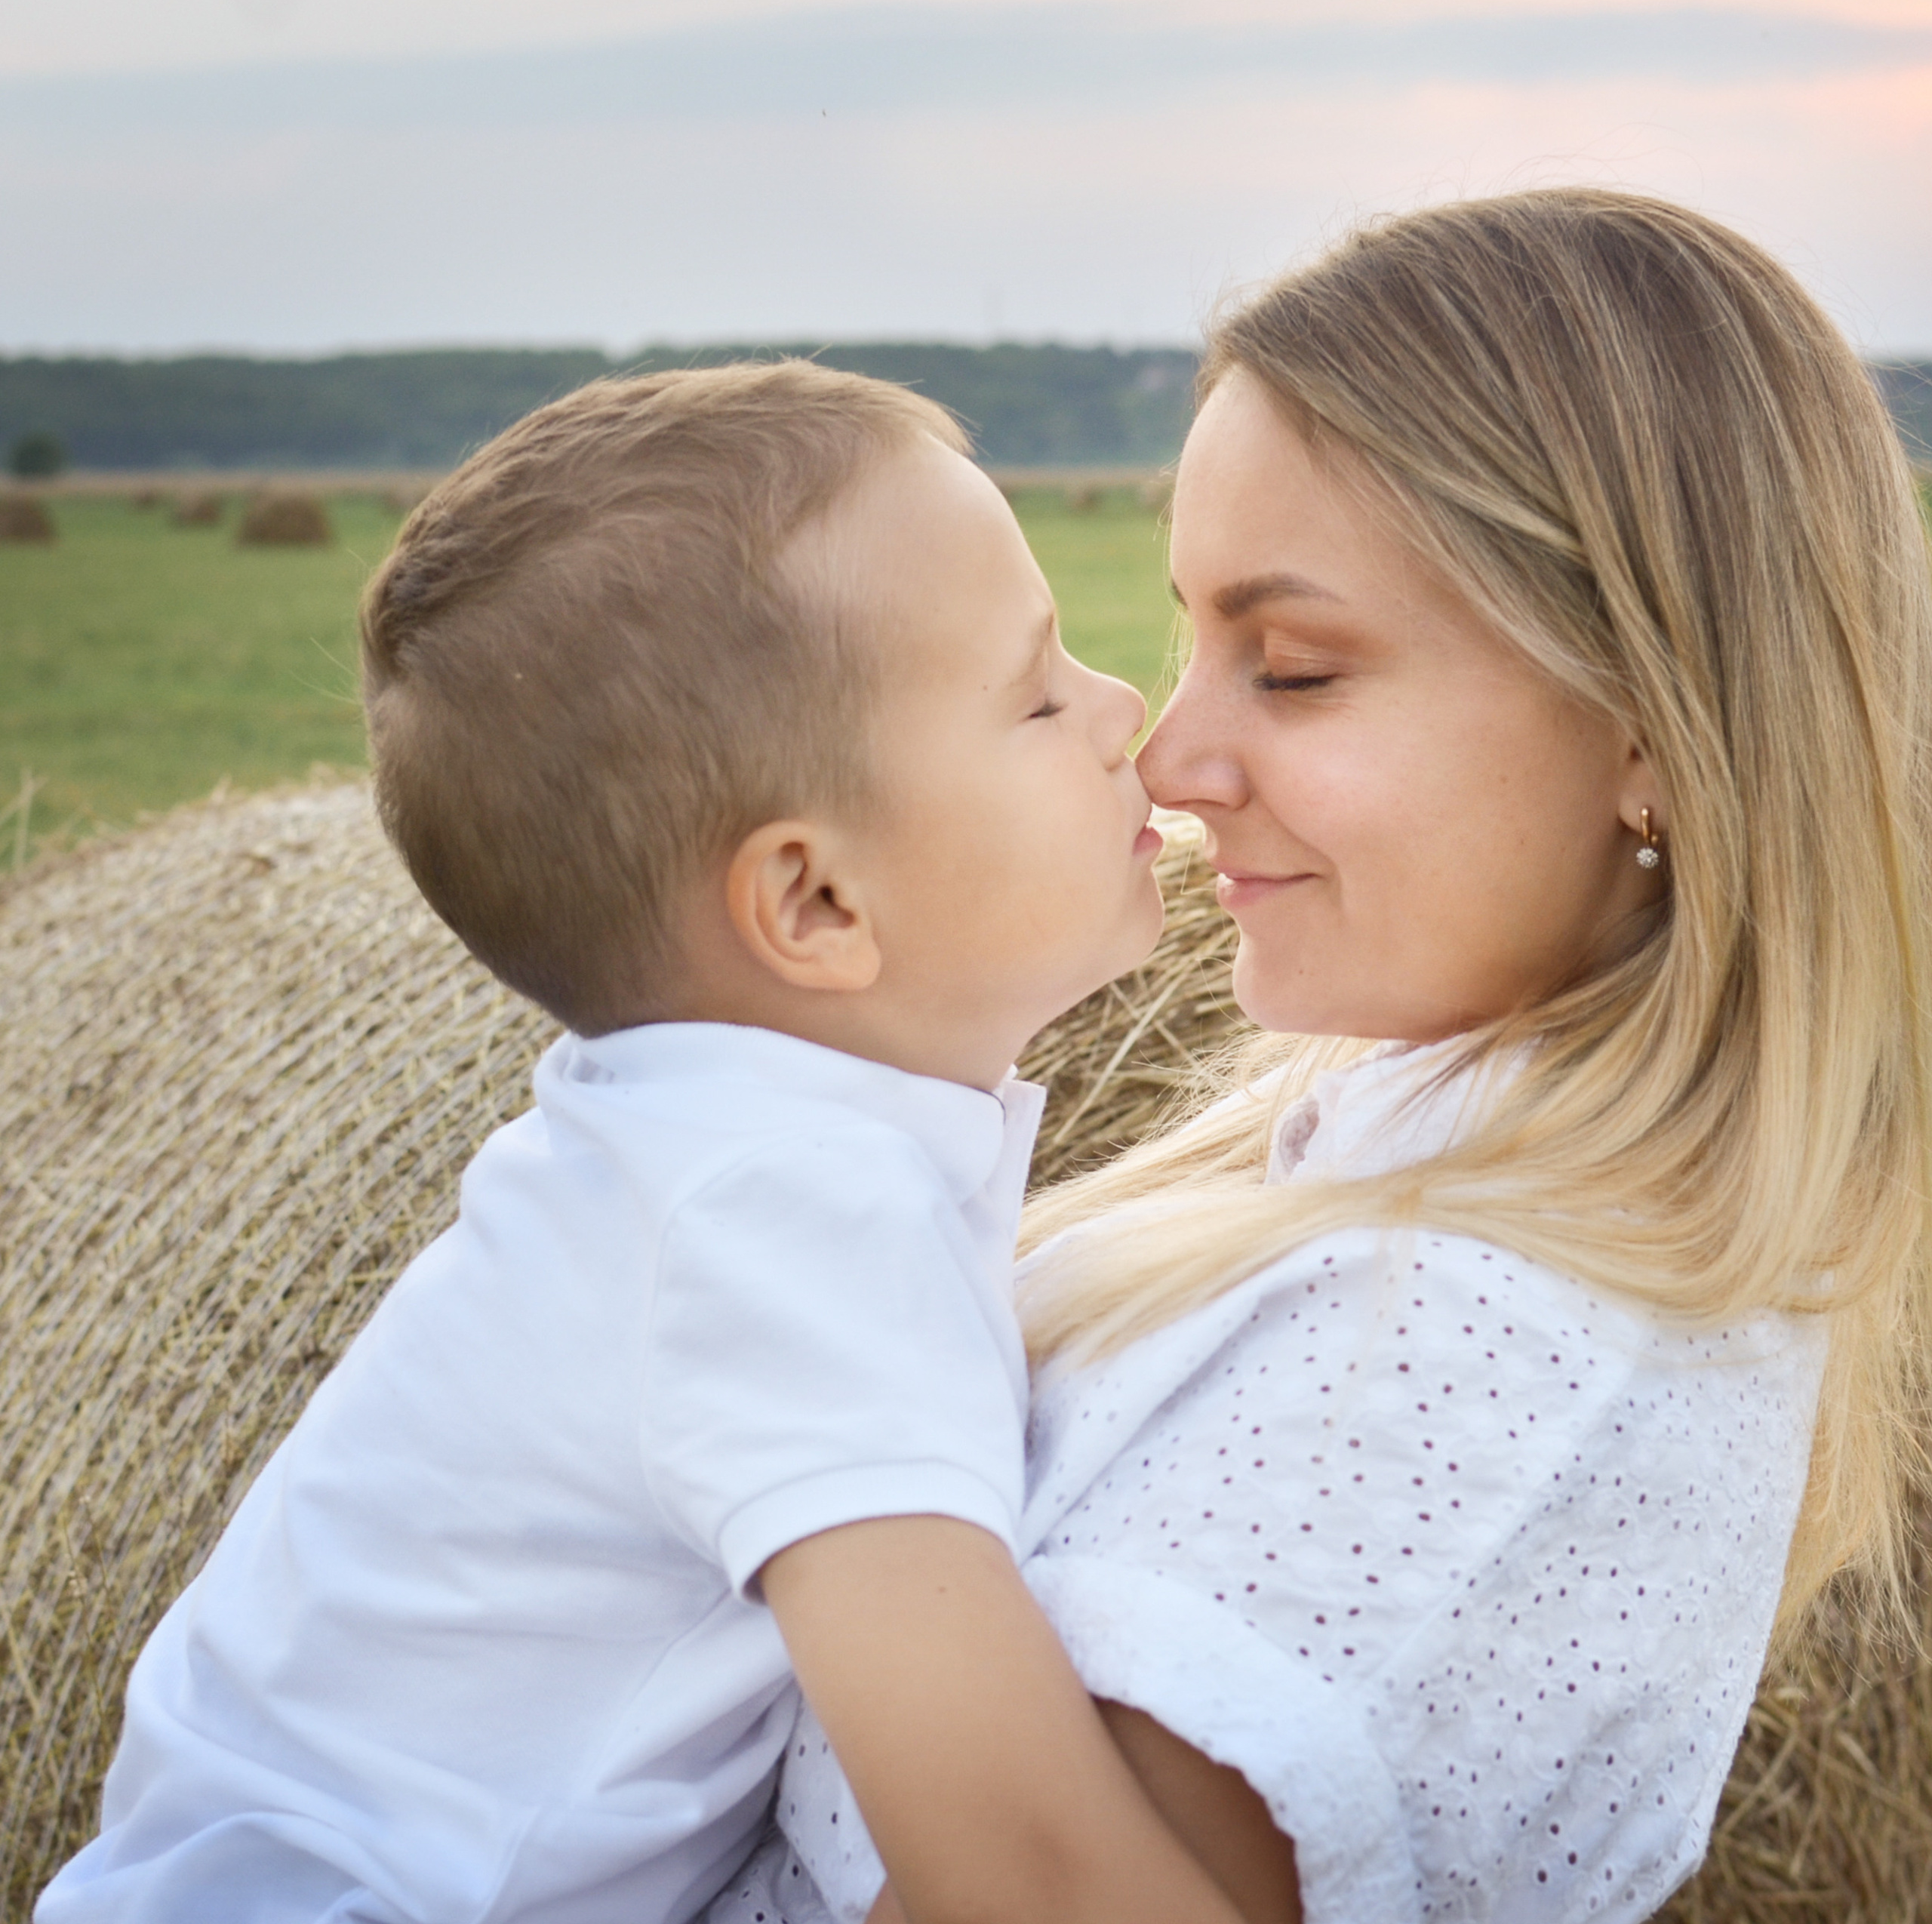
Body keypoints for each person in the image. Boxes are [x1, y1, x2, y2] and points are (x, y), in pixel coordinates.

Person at [709, 189, 1932, 1924]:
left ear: (1652, 726)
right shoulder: (1419, 1190)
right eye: (1193, 637)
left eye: (1290, 668)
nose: (1167, 758)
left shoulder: (1468, 1354)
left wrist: (786, 1438)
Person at [36, 363, 1259, 1924]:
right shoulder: (780, 1218)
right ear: (814, 902)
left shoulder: (696, 1143)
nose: (1121, 712)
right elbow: (1019, 1866)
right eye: (1035, 694)